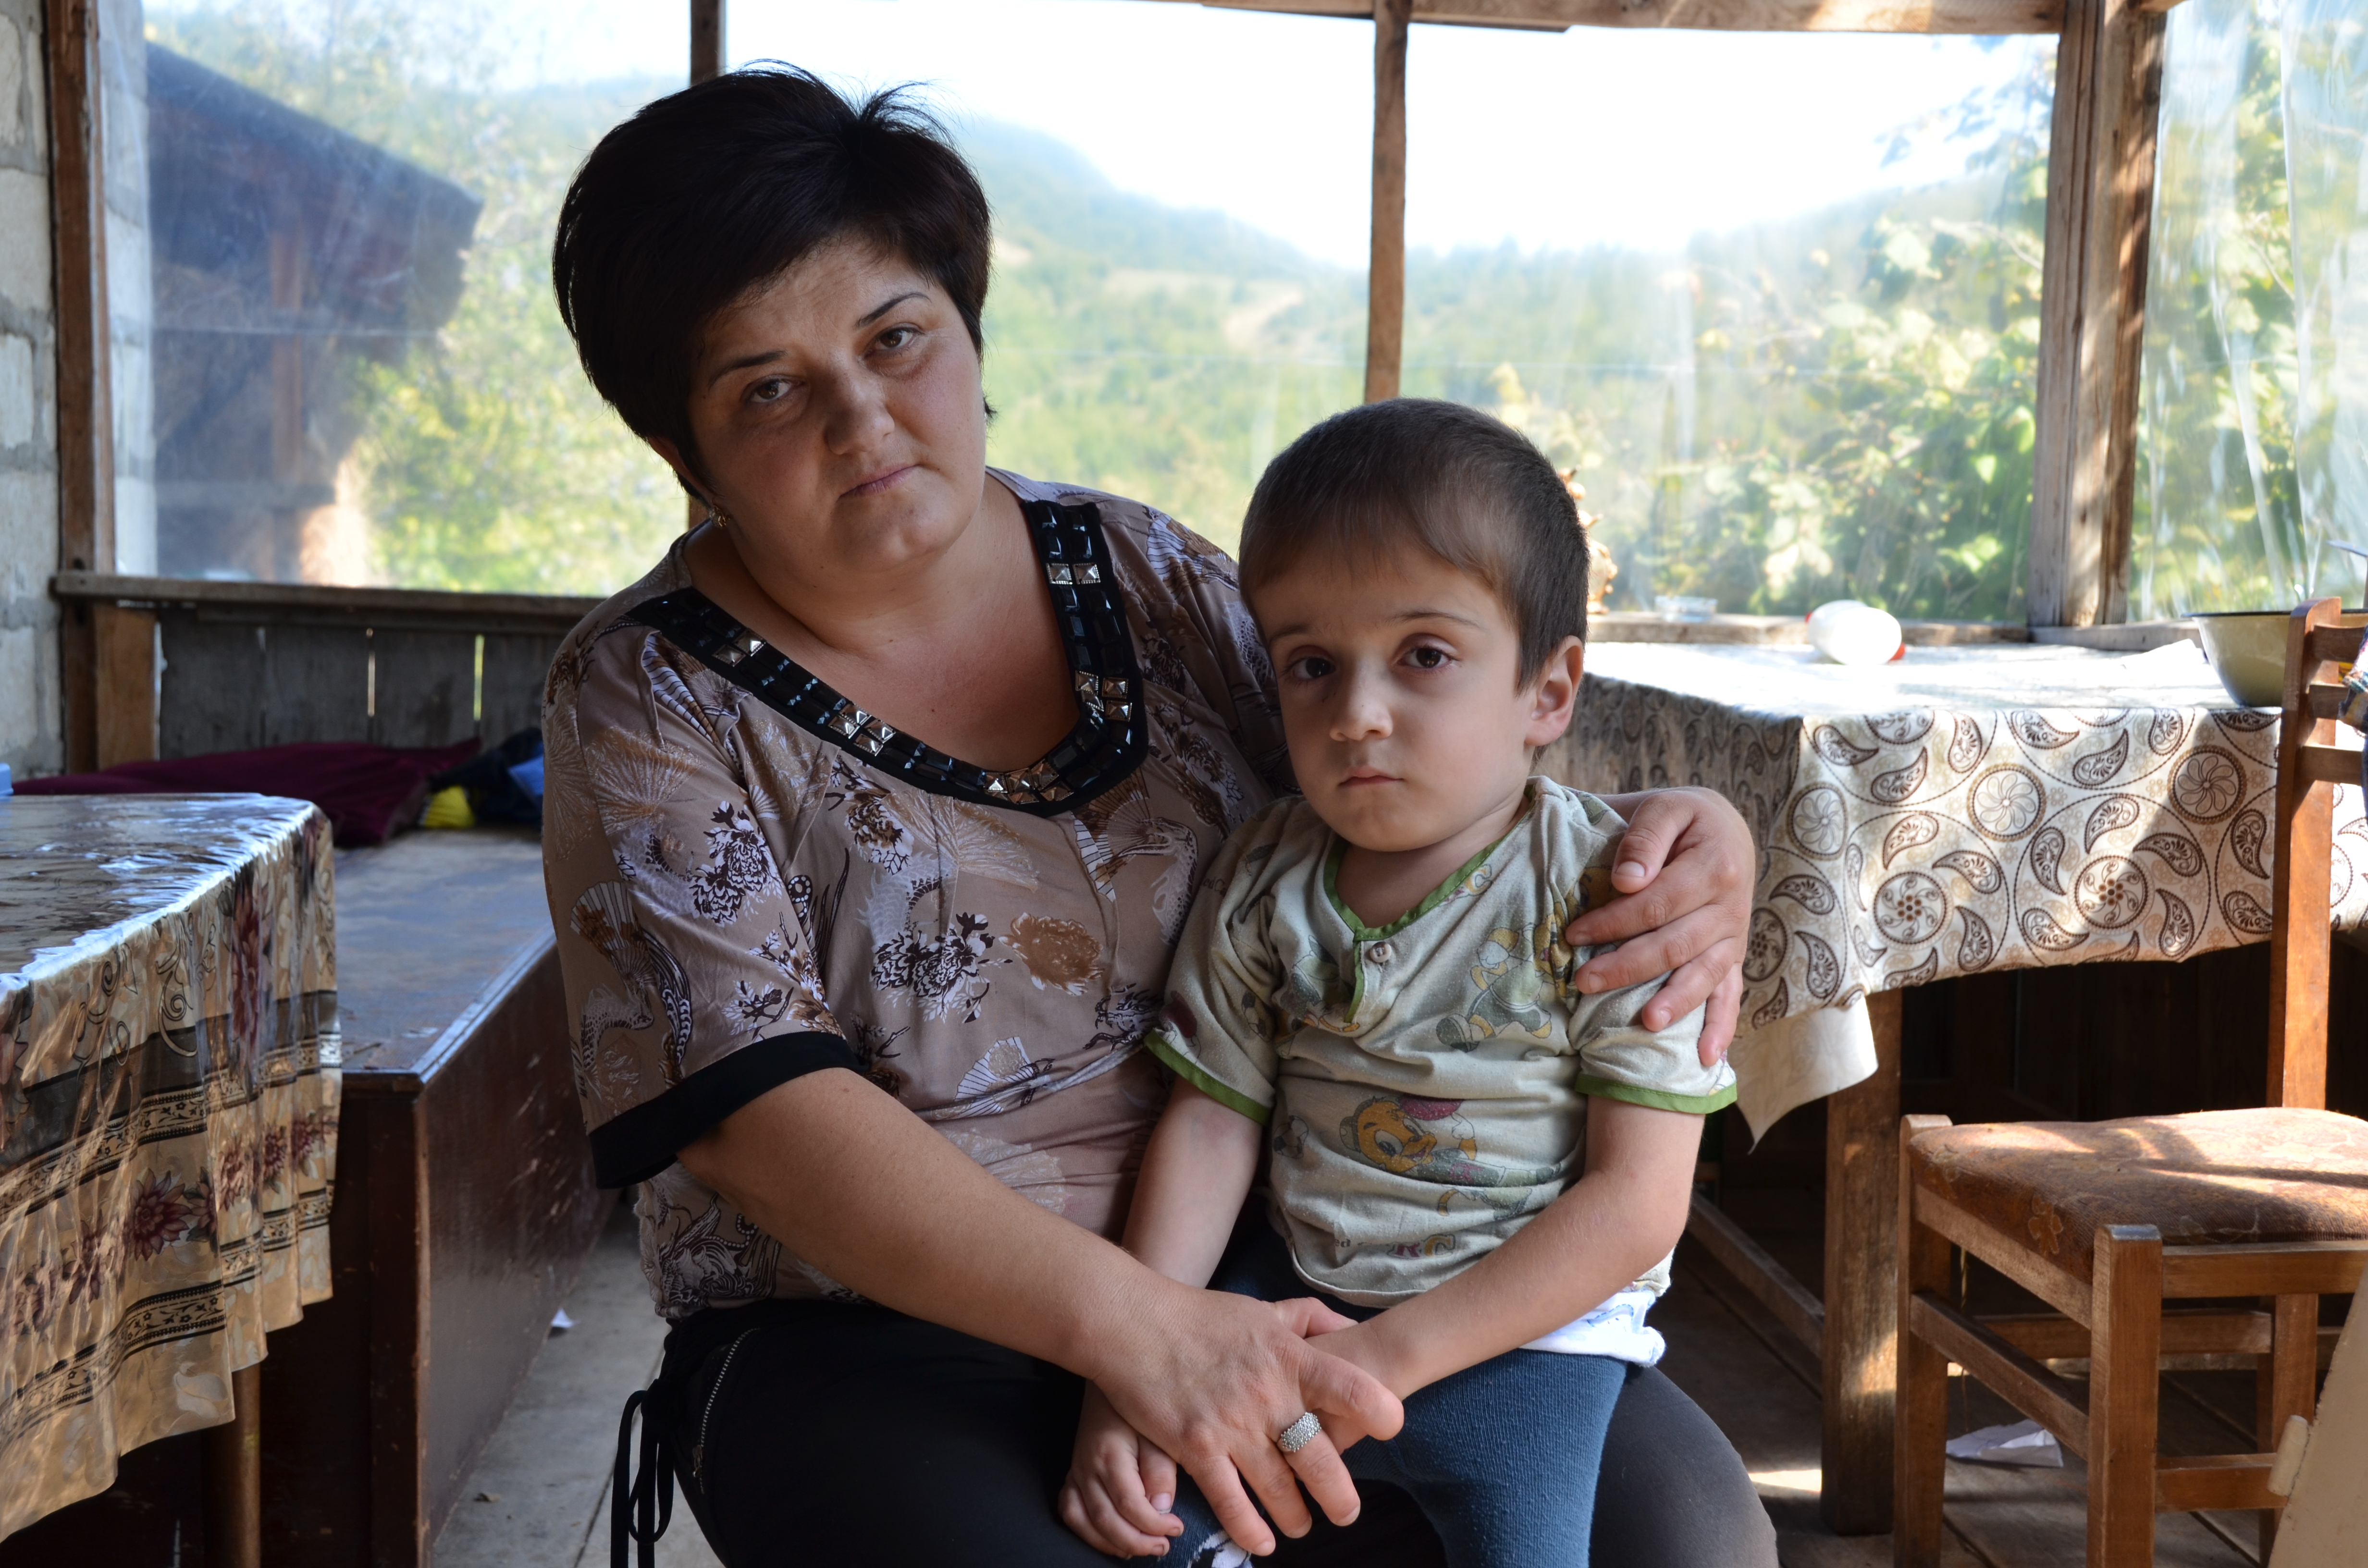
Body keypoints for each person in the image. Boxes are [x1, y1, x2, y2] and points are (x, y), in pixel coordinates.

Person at [540, 65, 1776, 1568]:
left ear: (967, 330)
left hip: (1309, 1259)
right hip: (880, 1338)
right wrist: (1153, 1340)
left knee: (1683, 1533)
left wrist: (1689, 829)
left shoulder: (1150, 577)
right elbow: (759, 1122)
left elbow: (1428, 774)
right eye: (769, 388)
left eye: (897, 338)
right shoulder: (648, 701)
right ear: (685, 452)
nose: (863, 416)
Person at [1060, 400, 1741, 1567]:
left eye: (1424, 656)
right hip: (1287, 1300)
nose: (1356, 717)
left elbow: (1636, 1203)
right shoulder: (1263, 874)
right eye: (1311, 667)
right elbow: (1215, 1124)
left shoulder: (1615, 896)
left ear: (1549, 690)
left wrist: (1392, 1359)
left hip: (1527, 1336)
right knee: (1146, 1533)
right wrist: (1131, 1373)